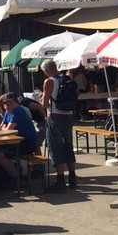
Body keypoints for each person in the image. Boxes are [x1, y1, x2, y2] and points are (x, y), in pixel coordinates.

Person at [40, 59, 77, 192]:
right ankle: (72, 178)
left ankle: (60, 180)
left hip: (55, 116)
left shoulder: (49, 81)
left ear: (46, 71)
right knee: (68, 145)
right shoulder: (68, 79)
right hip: (68, 115)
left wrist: (42, 97)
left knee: (55, 146)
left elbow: (45, 105)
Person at [0, 93, 40, 189]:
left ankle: (17, 179)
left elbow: (8, 130)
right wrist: (1, 128)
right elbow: (1, 127)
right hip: (15, 142)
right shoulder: (7, 112)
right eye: (6, 104)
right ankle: (3, 179)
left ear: (16, 103)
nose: (8, 106)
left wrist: (4, 128)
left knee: (0, 155)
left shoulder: (18, 111)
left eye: (11, 103)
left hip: (27, 143)